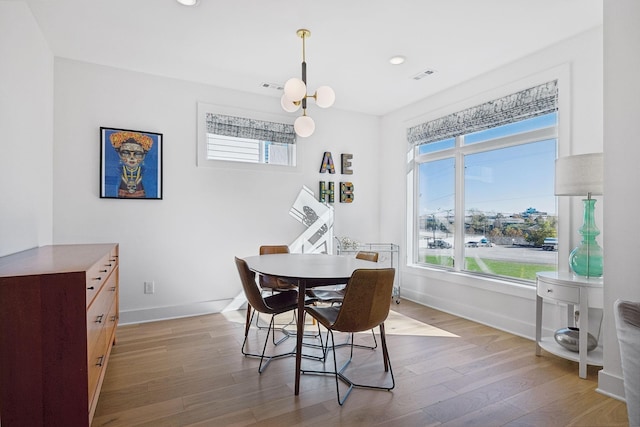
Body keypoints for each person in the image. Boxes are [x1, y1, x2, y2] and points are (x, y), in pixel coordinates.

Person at [109, 131, 154, 198]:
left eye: (138, 154)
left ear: (143, 156)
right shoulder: (120, 169)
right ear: (119, 154)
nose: (132, 157)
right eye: (126, 153)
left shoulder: (142, 170)